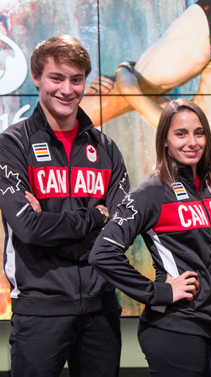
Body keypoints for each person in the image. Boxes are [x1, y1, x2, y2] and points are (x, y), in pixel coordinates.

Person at [88, 99, 211, 377]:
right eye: (181, 133)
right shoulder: (151, 191)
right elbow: (103, 253)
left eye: (199, 133)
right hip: (175, 327)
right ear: (164, 139)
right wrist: (159, 293)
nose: (192, 142)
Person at [0, 35, 129, 376]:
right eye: (57, 78)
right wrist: (95, 214)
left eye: (76, 80)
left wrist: (53, 220)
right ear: (37, 78)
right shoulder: (12, 144)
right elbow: (28, 227)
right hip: (40, 309)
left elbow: (122, 227)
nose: (67, 90)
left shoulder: (106, 148)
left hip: (101, 308)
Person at [80, 0, 211, 160]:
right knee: (118, 96)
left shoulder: (210, 146)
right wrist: (123, 68)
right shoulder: (192, 136)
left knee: (132, 91)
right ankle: (55, 131)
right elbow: (129, 90)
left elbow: (153, 100)